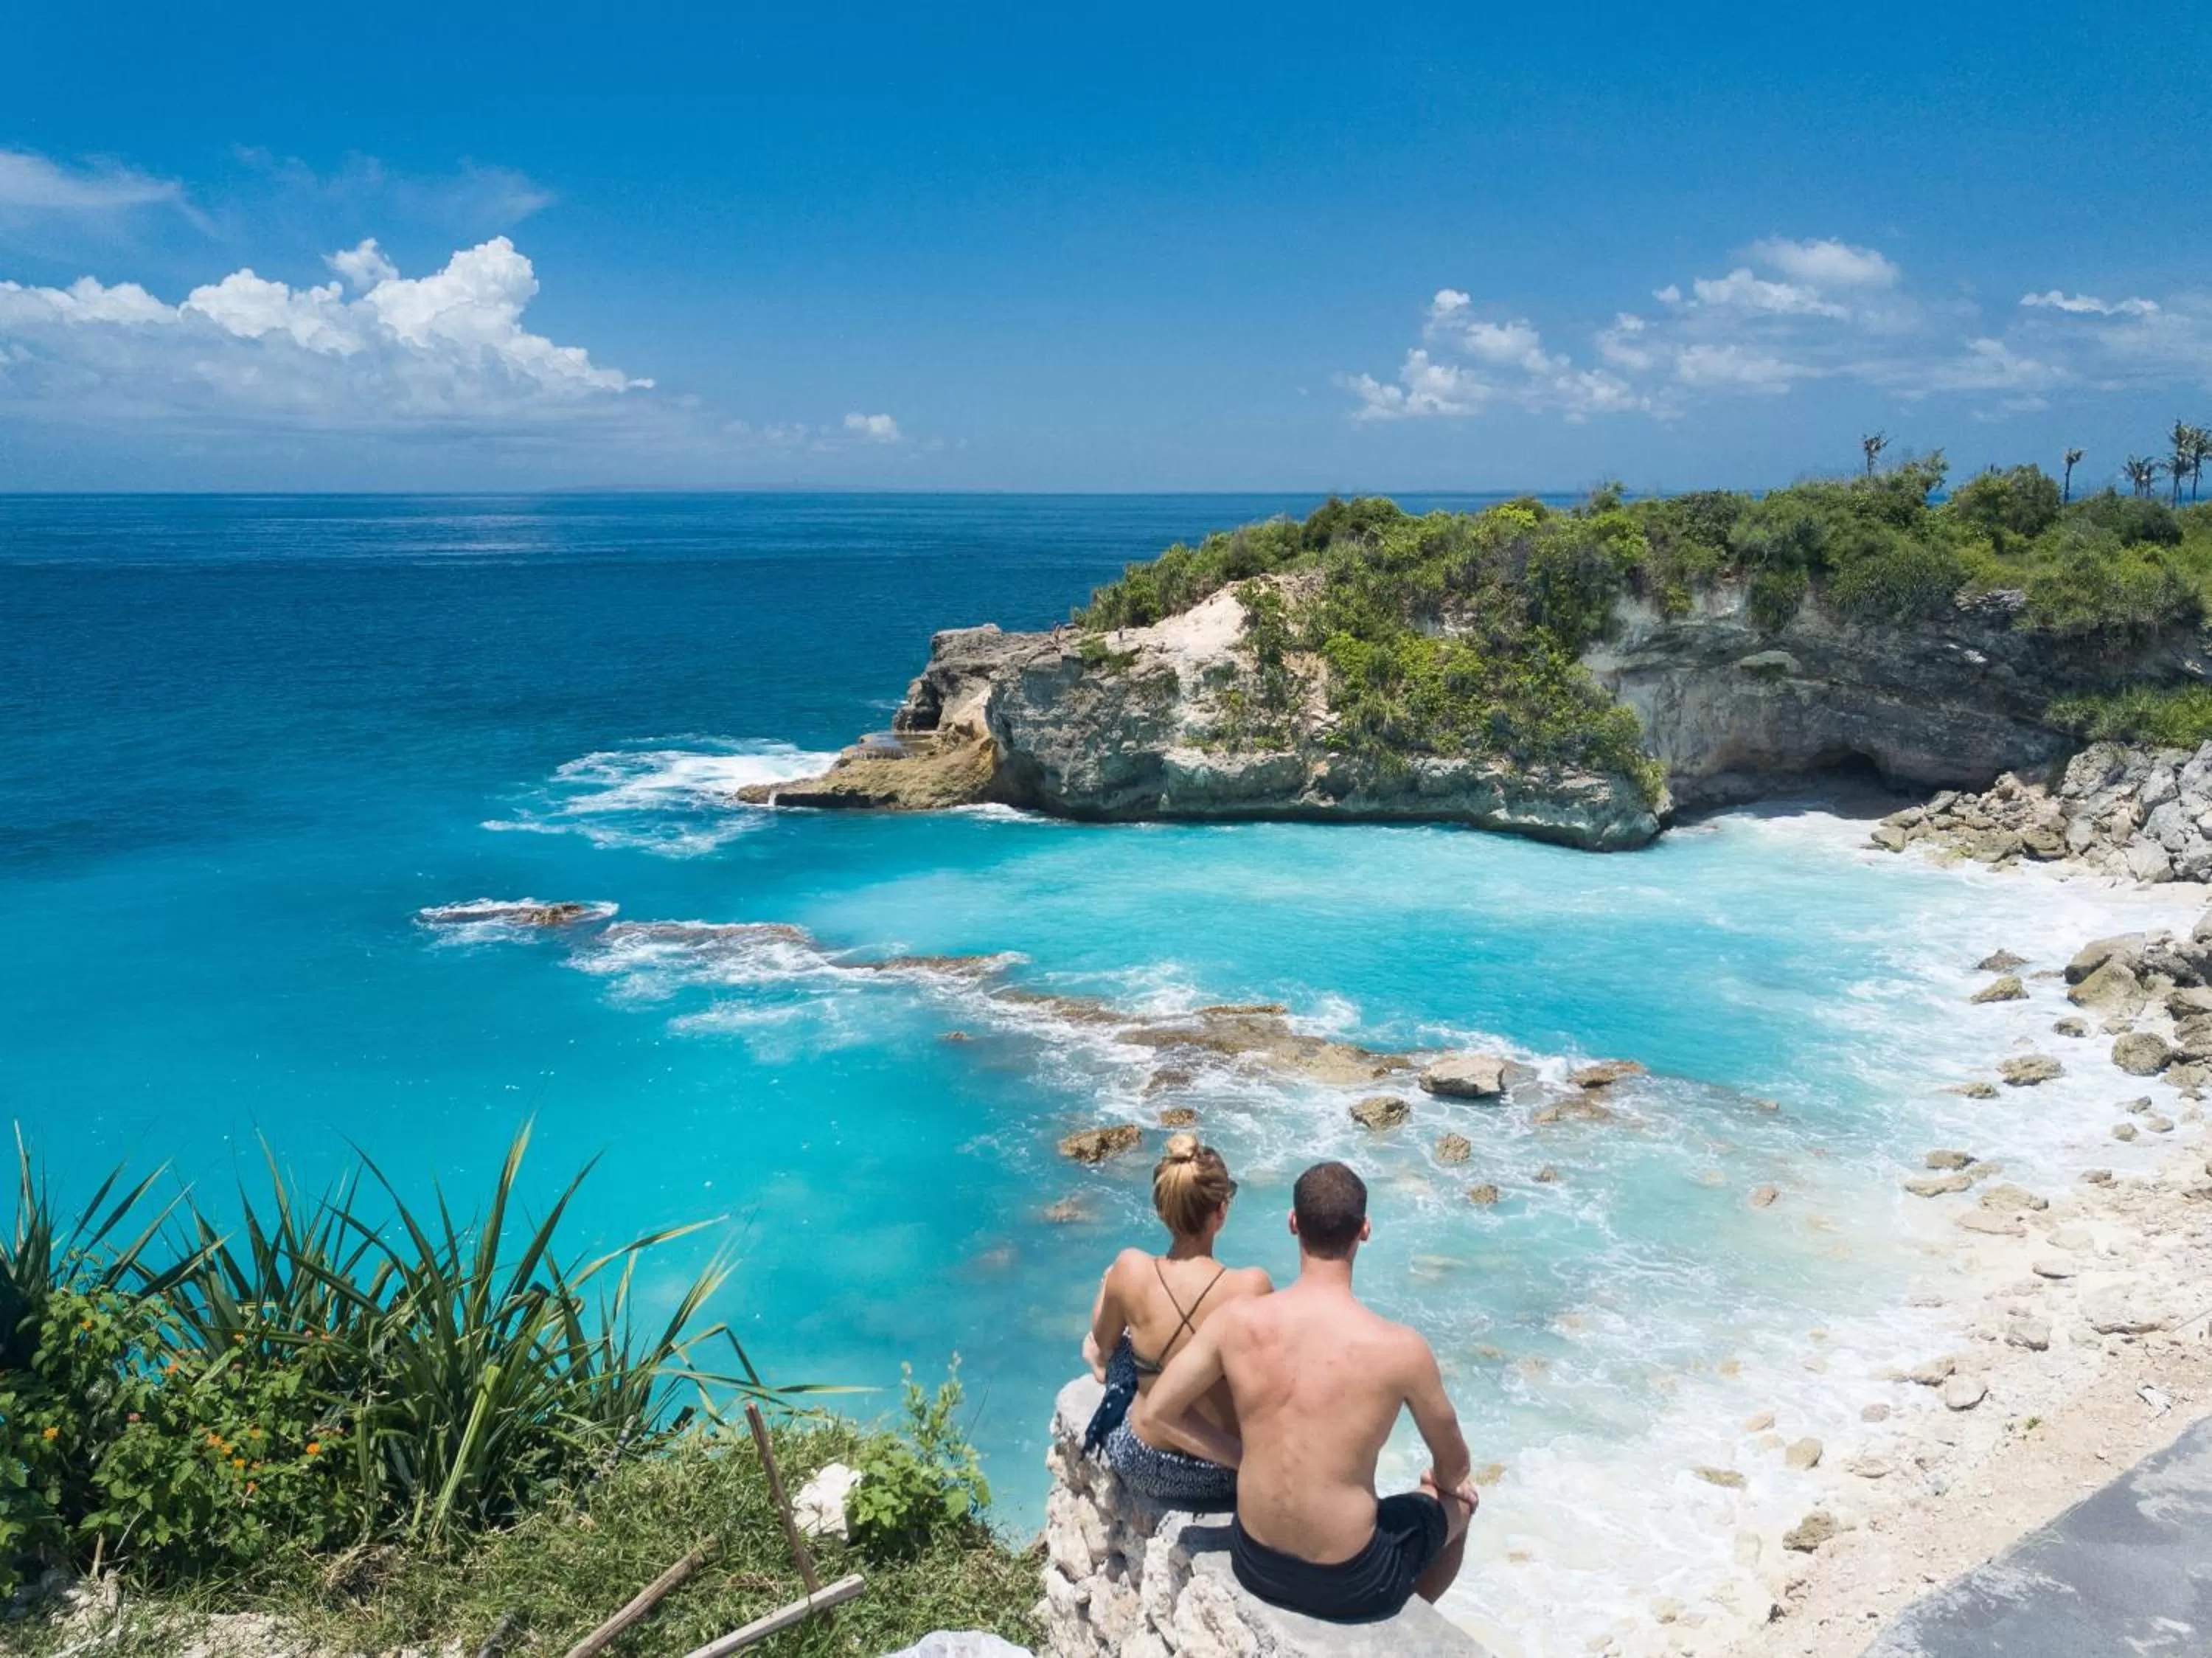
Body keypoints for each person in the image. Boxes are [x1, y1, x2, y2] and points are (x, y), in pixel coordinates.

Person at [1133, 1159, 1478, 1623]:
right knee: (1459, 1502)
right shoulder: (1402, 1349)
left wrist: (1243, 1457)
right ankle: (1404, 1621)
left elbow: (1157, 1414)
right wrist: (1436, 1486)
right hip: (1353, 1581)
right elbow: (1455, 1469)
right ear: (1366, 1231)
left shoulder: (1237, 1321)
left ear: (1293, 1224)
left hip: (1253, 1559)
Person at [1080, 1133, 1273, 1509]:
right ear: (1221, 1212)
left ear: (1160, 1210)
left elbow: (1106, 1339)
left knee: (1109, 1339)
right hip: (1224, 1473)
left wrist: (1108, 1307)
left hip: (1147, 1461)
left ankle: (1097, 1364)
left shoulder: (1131, 1270)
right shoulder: (1252, 1285)